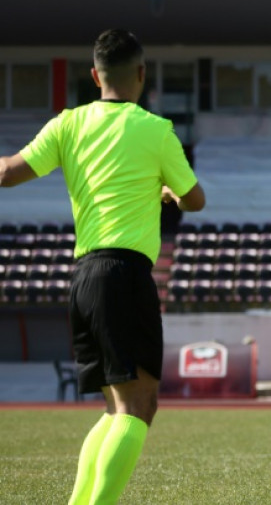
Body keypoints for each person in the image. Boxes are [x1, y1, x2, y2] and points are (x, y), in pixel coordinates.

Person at [0, 29, 205, 504]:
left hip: (85, 278)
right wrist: (170, 191)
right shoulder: (156, 129)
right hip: (125, 275)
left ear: (95, 76)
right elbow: (194, 200)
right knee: (139, 405)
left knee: (115, 408)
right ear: (142, 74)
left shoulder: (67, 124)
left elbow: (8, 172)